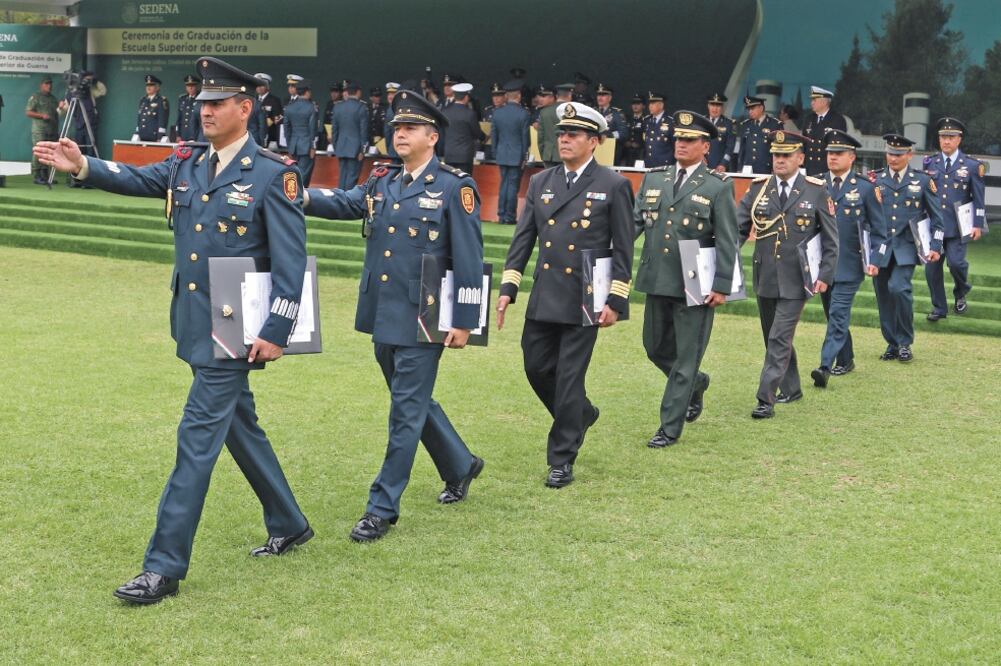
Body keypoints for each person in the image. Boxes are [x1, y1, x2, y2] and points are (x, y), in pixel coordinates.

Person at [35, 56, 314, 604]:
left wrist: (278, 329)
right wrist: (85, 165)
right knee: (239, 425)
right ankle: (289, 520)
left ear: (244, 108)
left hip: (236, 329)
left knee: (196, 440)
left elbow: (290, 262)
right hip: (192, 321)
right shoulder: (189, 161)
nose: (204, 111)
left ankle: (162, 566)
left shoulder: (271, 173)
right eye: (202, 104)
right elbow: (139, 177)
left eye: (216, 104)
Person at [303, 90, 486, 542]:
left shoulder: (453, 186)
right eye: (395, 128)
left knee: (404, 410)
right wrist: (296, 194)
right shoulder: (384, 180)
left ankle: (381, 507)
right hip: (383, 311)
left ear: (432, 136)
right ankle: (461, 464)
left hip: (425, 314)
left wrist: (465, 319)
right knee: (412, 400)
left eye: (409, 128)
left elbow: (469, 256)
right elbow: (346, 203)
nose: (398, 134)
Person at [496, 102, 633, 487]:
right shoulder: (542, 182)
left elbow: (623, 248)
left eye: (574, 134)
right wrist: (509, 286)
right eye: (561, 133)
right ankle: (581, 414)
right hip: (545, 293)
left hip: (585, 296)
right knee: (536, 367)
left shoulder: (614, 184)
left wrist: (616, 299)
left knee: (570, 377)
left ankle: (561, 458)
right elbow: (524, 238)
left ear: (595, 141)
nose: (565, 139)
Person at [634, 110, 739, 445]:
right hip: (657, 276)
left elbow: (727, 238)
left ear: (705, 146)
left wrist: (722, 285)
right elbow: (634, 225)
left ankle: (668, 427)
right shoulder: (655, 178)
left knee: (685, 357)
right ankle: (696, 383)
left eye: (689, 139)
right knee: (654, 347)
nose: (681, 144)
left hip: (697, 280)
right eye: (678, 138)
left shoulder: (717, 186)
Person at [737, 130, 838, 419]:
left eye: (786, 155)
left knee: (780, 337)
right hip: (765, 275)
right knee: (773, 336)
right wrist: (724, 260)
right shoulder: (758, 188)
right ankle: (792, 388)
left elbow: (831, 238)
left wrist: (825, 274)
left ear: (800, 158)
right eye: (776, 155)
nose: (779, 160)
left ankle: (765, 398)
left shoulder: (815, 189)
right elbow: (738, 229)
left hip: (799, 277)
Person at [810, 129, 888, 388]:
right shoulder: (816, 183)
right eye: (830, 152)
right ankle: (847, 358)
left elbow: (881, 231)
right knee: (832, 314)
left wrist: (876, 259)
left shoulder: (866, 188)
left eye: (838, 153)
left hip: (850, 264)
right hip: (822, 265)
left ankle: (824, 365)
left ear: (851, 157)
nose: (832, 157)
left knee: (838, 313)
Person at [869, 134, 943, 362]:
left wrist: (936, 245)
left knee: (899, 288)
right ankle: (891, 343)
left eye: (899, 154)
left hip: (907, 248)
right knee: (883, 295)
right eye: (890, 153)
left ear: (909, 155)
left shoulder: (921, 181)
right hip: (879, 249)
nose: (894, 158)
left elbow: (938, 219)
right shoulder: (875, 180)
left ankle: (904, 342)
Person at [922, 117, 986, 320]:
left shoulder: (972, 166)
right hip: (934, 227)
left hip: (959, 226)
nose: (946, 141)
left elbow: (978, 198)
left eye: (951, 137)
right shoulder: (930, 162)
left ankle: (961, 291)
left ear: (959, 139)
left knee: (957, 264)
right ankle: (939, 308)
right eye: (943, 137)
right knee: (932, 271)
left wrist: (977, 225)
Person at [491, 80, 531, 224]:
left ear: (507, 96)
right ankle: (509, 216)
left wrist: (495, 153)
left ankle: (501, 215)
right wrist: (525, 155)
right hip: (517, 154)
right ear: (519, 96)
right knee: (513, 186)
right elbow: (525, 138)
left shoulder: (497, 113)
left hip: (502, 153)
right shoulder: (524, 114)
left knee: (504, 184)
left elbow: (494, 136)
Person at [330, 79, 369, 190]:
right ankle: (347, 202)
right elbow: (363, 131)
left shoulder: (338, 107)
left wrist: (336, 146)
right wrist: (363, 150)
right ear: (358, 92)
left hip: (341, 146)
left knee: (342, 177)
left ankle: (340, 200)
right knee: (352, 177)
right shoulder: (361, 107)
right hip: (356, 149)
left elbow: (334, 130)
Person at [801, 86, 846, 176]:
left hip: (826, 169)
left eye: (815, 100)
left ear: (824, 102)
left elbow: (839, 146)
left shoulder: (837, 120)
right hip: (809, 168)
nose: (812, 103)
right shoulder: (809, 119)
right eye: (812, 100)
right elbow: (804, 143)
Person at [441, 82, 484, 175]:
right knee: (464, 184)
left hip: (449, 155)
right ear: (466, 97)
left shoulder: (445, 112)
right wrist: (484, 137)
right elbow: (477, 133)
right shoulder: (470, 114)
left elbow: (442, 133)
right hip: (464, 156)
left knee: (450, 183)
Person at [25, 76, 60, 184]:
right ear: (42, 85)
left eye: (50, 84)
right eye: (46, 83)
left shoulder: (53, 99)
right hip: (39, 130)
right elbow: (28, 112)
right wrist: (41, 115)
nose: (49, 86)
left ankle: (45, 176)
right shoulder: (36, 97)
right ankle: (37, 176)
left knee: (49, 153)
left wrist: (62, 107)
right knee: (39, 151)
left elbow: (58, 112)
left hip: (52, 131)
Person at [282, 79, 317, 186]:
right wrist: (312, 147)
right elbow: (313, 129)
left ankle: (293, 195)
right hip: (306, 145)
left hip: (294, 145)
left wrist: (290, 145)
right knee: (304, 174)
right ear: (307, 92)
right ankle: (301, 197)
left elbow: (286, 128)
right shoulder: (311, 107)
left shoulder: (289, 107)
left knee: (294, 172)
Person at [736, 96, 780, 174]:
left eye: (752, 109)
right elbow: (742, 149)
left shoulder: (774, 124)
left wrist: (776, 168)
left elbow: (778, 149)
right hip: (747, 169)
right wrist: (740, 168)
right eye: (749, 109)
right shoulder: (746, 124)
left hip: (766, 169)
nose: (750, 112)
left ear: (761, 108)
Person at [536, 83, 571, 168]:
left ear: (556, 95)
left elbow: (540, 137)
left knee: (549, 180)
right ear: (569, 95)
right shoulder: (572, 112)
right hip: (567, 154)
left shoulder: (544, 112)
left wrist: (544, 155)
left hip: (549, 155)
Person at [594, 83, 627, 165]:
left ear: (610, 98)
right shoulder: (593, 112)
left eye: (603, 95)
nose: (600, 97)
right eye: (598, 95)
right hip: (593, 152)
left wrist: (609, 136)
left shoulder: (617, 113)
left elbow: (623, 133)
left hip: (610, 153)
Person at [133, 74, 169, 143]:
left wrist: (160, 137)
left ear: (157, 87)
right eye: (147, 85)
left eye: (151, 85)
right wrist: (137, 133)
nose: (148, 88)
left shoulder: (161, 100)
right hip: (141, 136)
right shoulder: (143, 100)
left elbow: (162, 120)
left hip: (154, 137)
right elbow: (139, 119)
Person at [705, 92, 736, 172]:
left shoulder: (729, 124)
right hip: (701, 164)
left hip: (719, 167)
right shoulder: (702, 121)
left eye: (718, 106)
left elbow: (730, 147)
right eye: (712, 105)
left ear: (722, 107)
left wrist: (723, 163)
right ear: (708, 106)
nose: (715, 109)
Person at [642, 91, 673, 168]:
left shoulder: (670, 122)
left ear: (661, 105)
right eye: (650, 104)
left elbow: (675, 144)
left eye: (653, 104)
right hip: (648, 164)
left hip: (664, 165)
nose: (650, 106)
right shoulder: (647, 120)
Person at [253, 73, 283, 150]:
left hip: (270, 138)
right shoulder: (253, 100)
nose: (259, 87)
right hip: (254, 138)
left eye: (261, 85)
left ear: (267, 86)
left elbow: (278, 119)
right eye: (257, 85)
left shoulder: (274, 101)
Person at [174, 74, 202, 142]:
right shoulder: (182, 99)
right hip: (183, 135)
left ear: (197, 86)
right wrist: (178, 134)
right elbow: (179, 119)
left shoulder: (200, 99)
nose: (190, 88)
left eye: (193, 85)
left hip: (195, 135)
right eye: (188, 86)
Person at [624, 92, 646, 166]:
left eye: (638, 104)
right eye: (633, 103)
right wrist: (626, 142)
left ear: (643, 106)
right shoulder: (627, 118)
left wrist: (639, 144)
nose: (635, 106)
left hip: (640, 153)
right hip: (626, 152)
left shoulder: (645, 120)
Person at [321, 82, 343, 150]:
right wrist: (328, 135)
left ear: (341, 93)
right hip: (328, 137)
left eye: (336, 92)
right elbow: (326, 121)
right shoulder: (329, 104)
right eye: (332, 92)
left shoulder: (343, 105)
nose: (333, 94)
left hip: (340, 136)